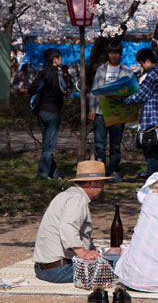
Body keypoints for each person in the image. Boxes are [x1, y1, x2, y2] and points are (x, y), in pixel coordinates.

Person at [33, 160, 111, 283]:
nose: (103, 187)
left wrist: (91, 248)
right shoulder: (77, 198)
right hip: (59, 270)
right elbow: (67, 226)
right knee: (117, 267)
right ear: (90, 184)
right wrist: (82, 252)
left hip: (43, 269)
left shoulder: (69, 194)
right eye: (101, 183)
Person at [88, 40, 133, 182]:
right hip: (101, 111)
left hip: (117, 111)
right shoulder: (101, 69)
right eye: (111, 53)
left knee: (115, 144)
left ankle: (113, 170)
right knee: (100, 143)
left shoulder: (127, 71)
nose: (113, 56)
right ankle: (101, 170)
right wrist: (92, 108)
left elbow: (131, 91)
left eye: (116, 53)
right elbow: (94, 90)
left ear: (120, 54)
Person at [123, 48, 158, 176]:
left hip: (151, 122)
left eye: (142, 63)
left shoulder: (152, 75)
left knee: (152, 156)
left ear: (147, 61)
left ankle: (155, 184)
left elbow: (141, 95)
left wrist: (123, 100)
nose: (141, 67)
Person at [29, 48, 68, 179]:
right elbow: (59, 92)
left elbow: (32, 89)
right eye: (60, 58)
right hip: (53, 112)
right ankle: (42, 175)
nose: (61, 61)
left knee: (47, 144)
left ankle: (54, 174)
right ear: (55, 59)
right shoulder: (56, 74)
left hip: (41, 111)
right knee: (49, 147)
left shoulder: (42, 73)